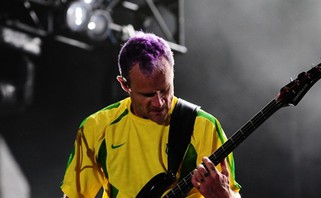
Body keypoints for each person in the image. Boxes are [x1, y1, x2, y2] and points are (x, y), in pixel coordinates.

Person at [60, 32, 241, 198]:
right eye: (148, 95)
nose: (159, 102)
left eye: (165, 90)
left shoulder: (203, 126)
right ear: (125, 85)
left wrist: (225, 195)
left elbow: (231, 193)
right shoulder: (96, 127)